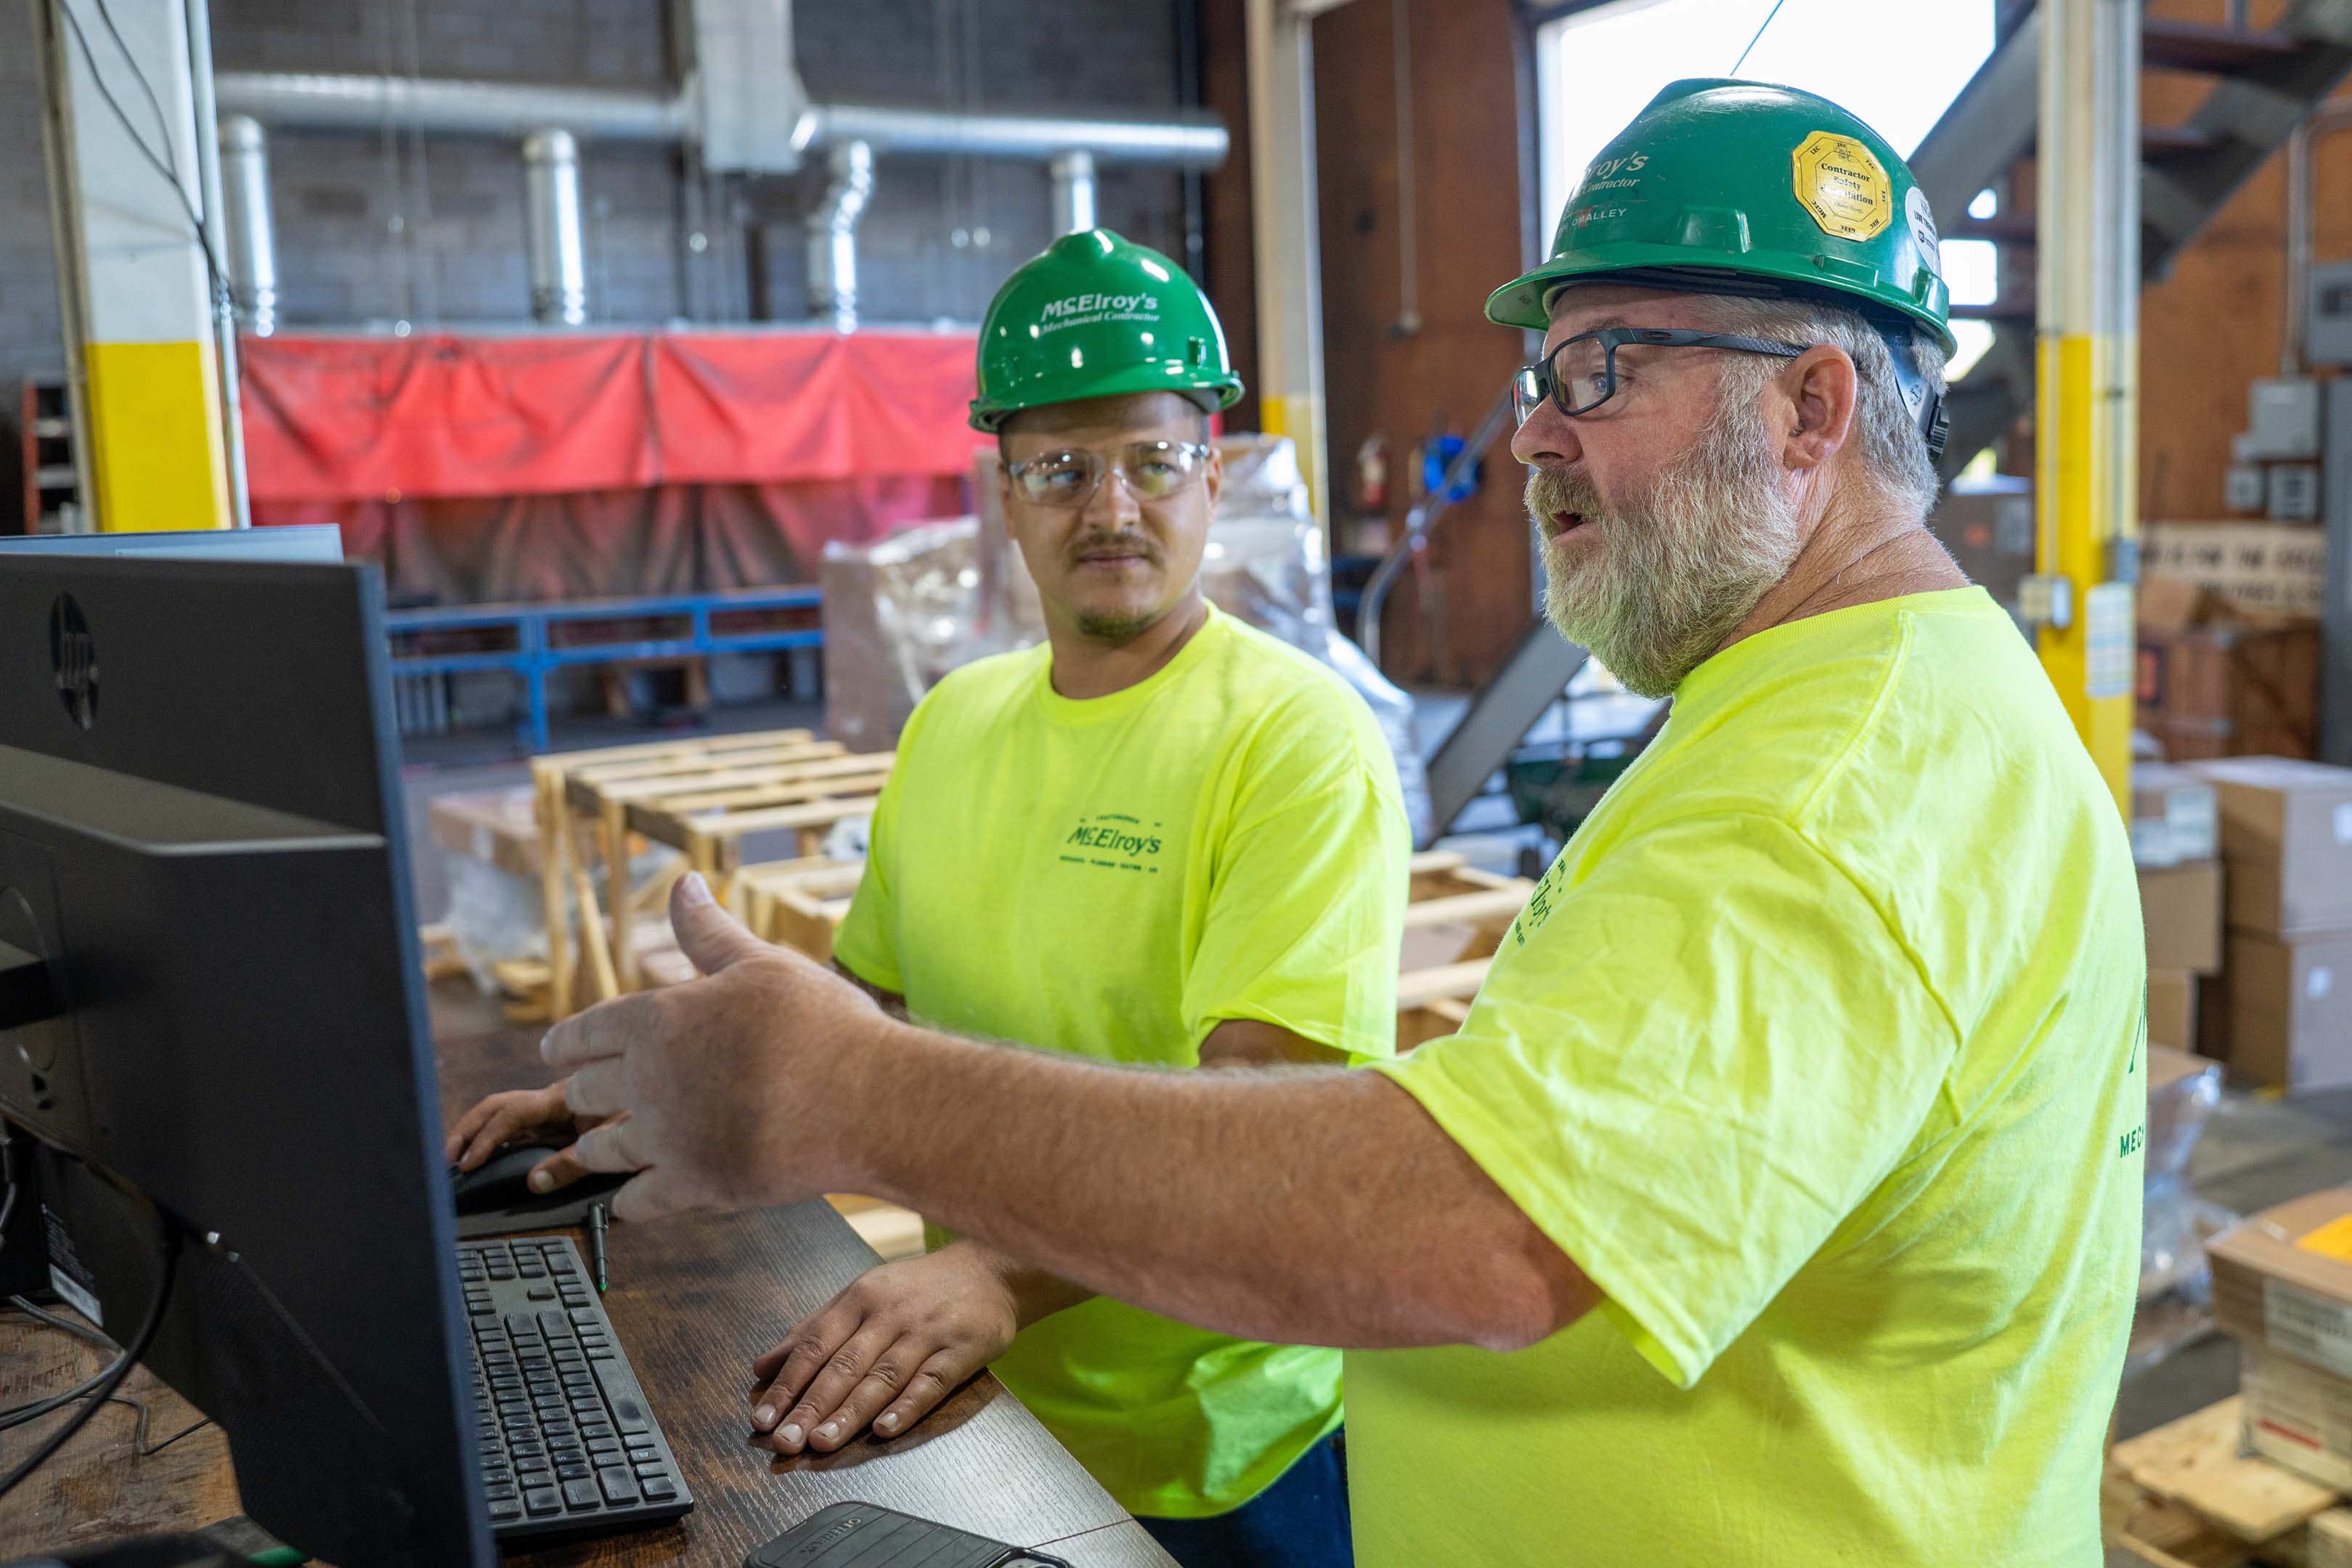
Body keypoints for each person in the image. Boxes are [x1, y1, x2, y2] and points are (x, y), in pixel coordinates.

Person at [536, 81, 2144, 1568]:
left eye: (1600, 373)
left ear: (1809, 411)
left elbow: (1481, 1237)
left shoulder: (1844, 779)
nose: (1531, 435)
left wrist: (850, 1094)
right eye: (1541, 380)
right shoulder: (1803, 717)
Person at [449, 229, 1410, 1568]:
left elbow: (1272, 1124)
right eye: (1063, 469)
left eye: (1155, 460)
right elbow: (873, 1010)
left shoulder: (1294, 739)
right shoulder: (957, 721)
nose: (1113, 508)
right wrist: (666, 1075)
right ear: (1003, 491)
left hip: (1222, 1452)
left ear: (1214, 473)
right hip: (975, 1407)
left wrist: (996, 1269)